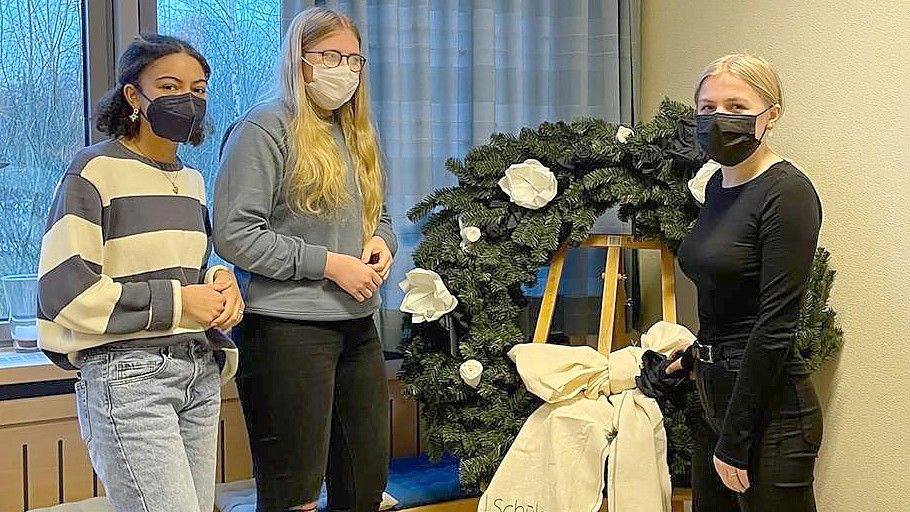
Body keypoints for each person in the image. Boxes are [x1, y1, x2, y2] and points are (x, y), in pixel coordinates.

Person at [37, 34, 244, 512]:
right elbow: (65, 292)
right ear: (133, 95)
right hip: (129, 376)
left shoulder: (190, 180)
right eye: (169, 86)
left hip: (198, 368)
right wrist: (179, 301)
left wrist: (219, 281)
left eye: (199, 88)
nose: (187, 100)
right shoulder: (93, 171)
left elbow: (188, 266)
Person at [213, 7, 397, 512]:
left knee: (364, 485)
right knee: (293, 492)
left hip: (358, 327)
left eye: (355, 59)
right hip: (286, 331)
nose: (345, 69)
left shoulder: (356, 133)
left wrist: (383, 243)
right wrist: (330, 264)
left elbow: (380, 217)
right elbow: (234, 235)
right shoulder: (264, 128)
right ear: (300, 60)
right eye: (330, 56)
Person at [666, 54, 824, 511]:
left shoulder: (788, 193)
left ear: (771, 115)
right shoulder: (717, 185)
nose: (719, 120)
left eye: (736, 106)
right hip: (714, 398)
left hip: (770, 413)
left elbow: (774, 325)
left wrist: (735, 438)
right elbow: (728, 301)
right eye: (707, 107)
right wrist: (690, 359)